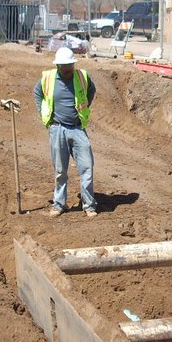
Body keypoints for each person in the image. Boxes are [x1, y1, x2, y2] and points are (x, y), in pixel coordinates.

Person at [34, 46, 98, 218]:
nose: (68, 70)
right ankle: (59, 204)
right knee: (60, 170)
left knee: (87, 167)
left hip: (78, 128)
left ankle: (89, 205)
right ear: (58, 66)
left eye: (70, 66)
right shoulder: (47, 78)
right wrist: (43, 112)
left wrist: (84, 107)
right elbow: (37, 93)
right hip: (58, 129)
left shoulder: (82, 76)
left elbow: (91, 90)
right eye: (64, 67)